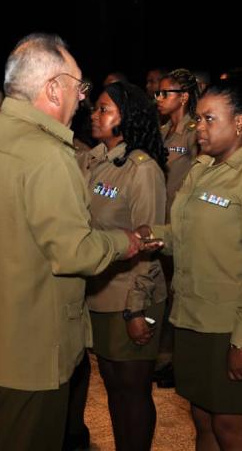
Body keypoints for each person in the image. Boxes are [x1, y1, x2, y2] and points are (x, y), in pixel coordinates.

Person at [0, 33, 141, 450]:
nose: (83, 99)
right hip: (29, 351)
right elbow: (74, 252)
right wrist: (122, 242)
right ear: (53, 88)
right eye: (79, 86)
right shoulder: (48, 154)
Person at [138, 77, 242, 450]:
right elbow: (183, 235)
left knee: (231, 428)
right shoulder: (202, 169)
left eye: (208, 119)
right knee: (202, 420)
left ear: (240, 122)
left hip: (231, 326)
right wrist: (146, 235)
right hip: (191, 318)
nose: (198, 128)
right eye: (198, 119)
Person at [74, 81, 168, 450]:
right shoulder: (92, 159)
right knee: (113, 386)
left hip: (129, 294)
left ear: (126, 117)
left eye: (104, 109)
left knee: (132, 391)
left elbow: (149, 241)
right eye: (95, 108)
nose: (95, 115)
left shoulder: (141, 169)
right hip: (97, 291)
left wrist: (136, 307)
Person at [153, 68, 200, 387]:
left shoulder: (195, 131)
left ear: (183, 97)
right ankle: (164, 356)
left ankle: (177, 360)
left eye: (165, 93)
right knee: (164, 291)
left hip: (182, 224)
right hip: (161, 222)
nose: (158, 98)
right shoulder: (162, 130)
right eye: (157, 93)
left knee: (179, 293)